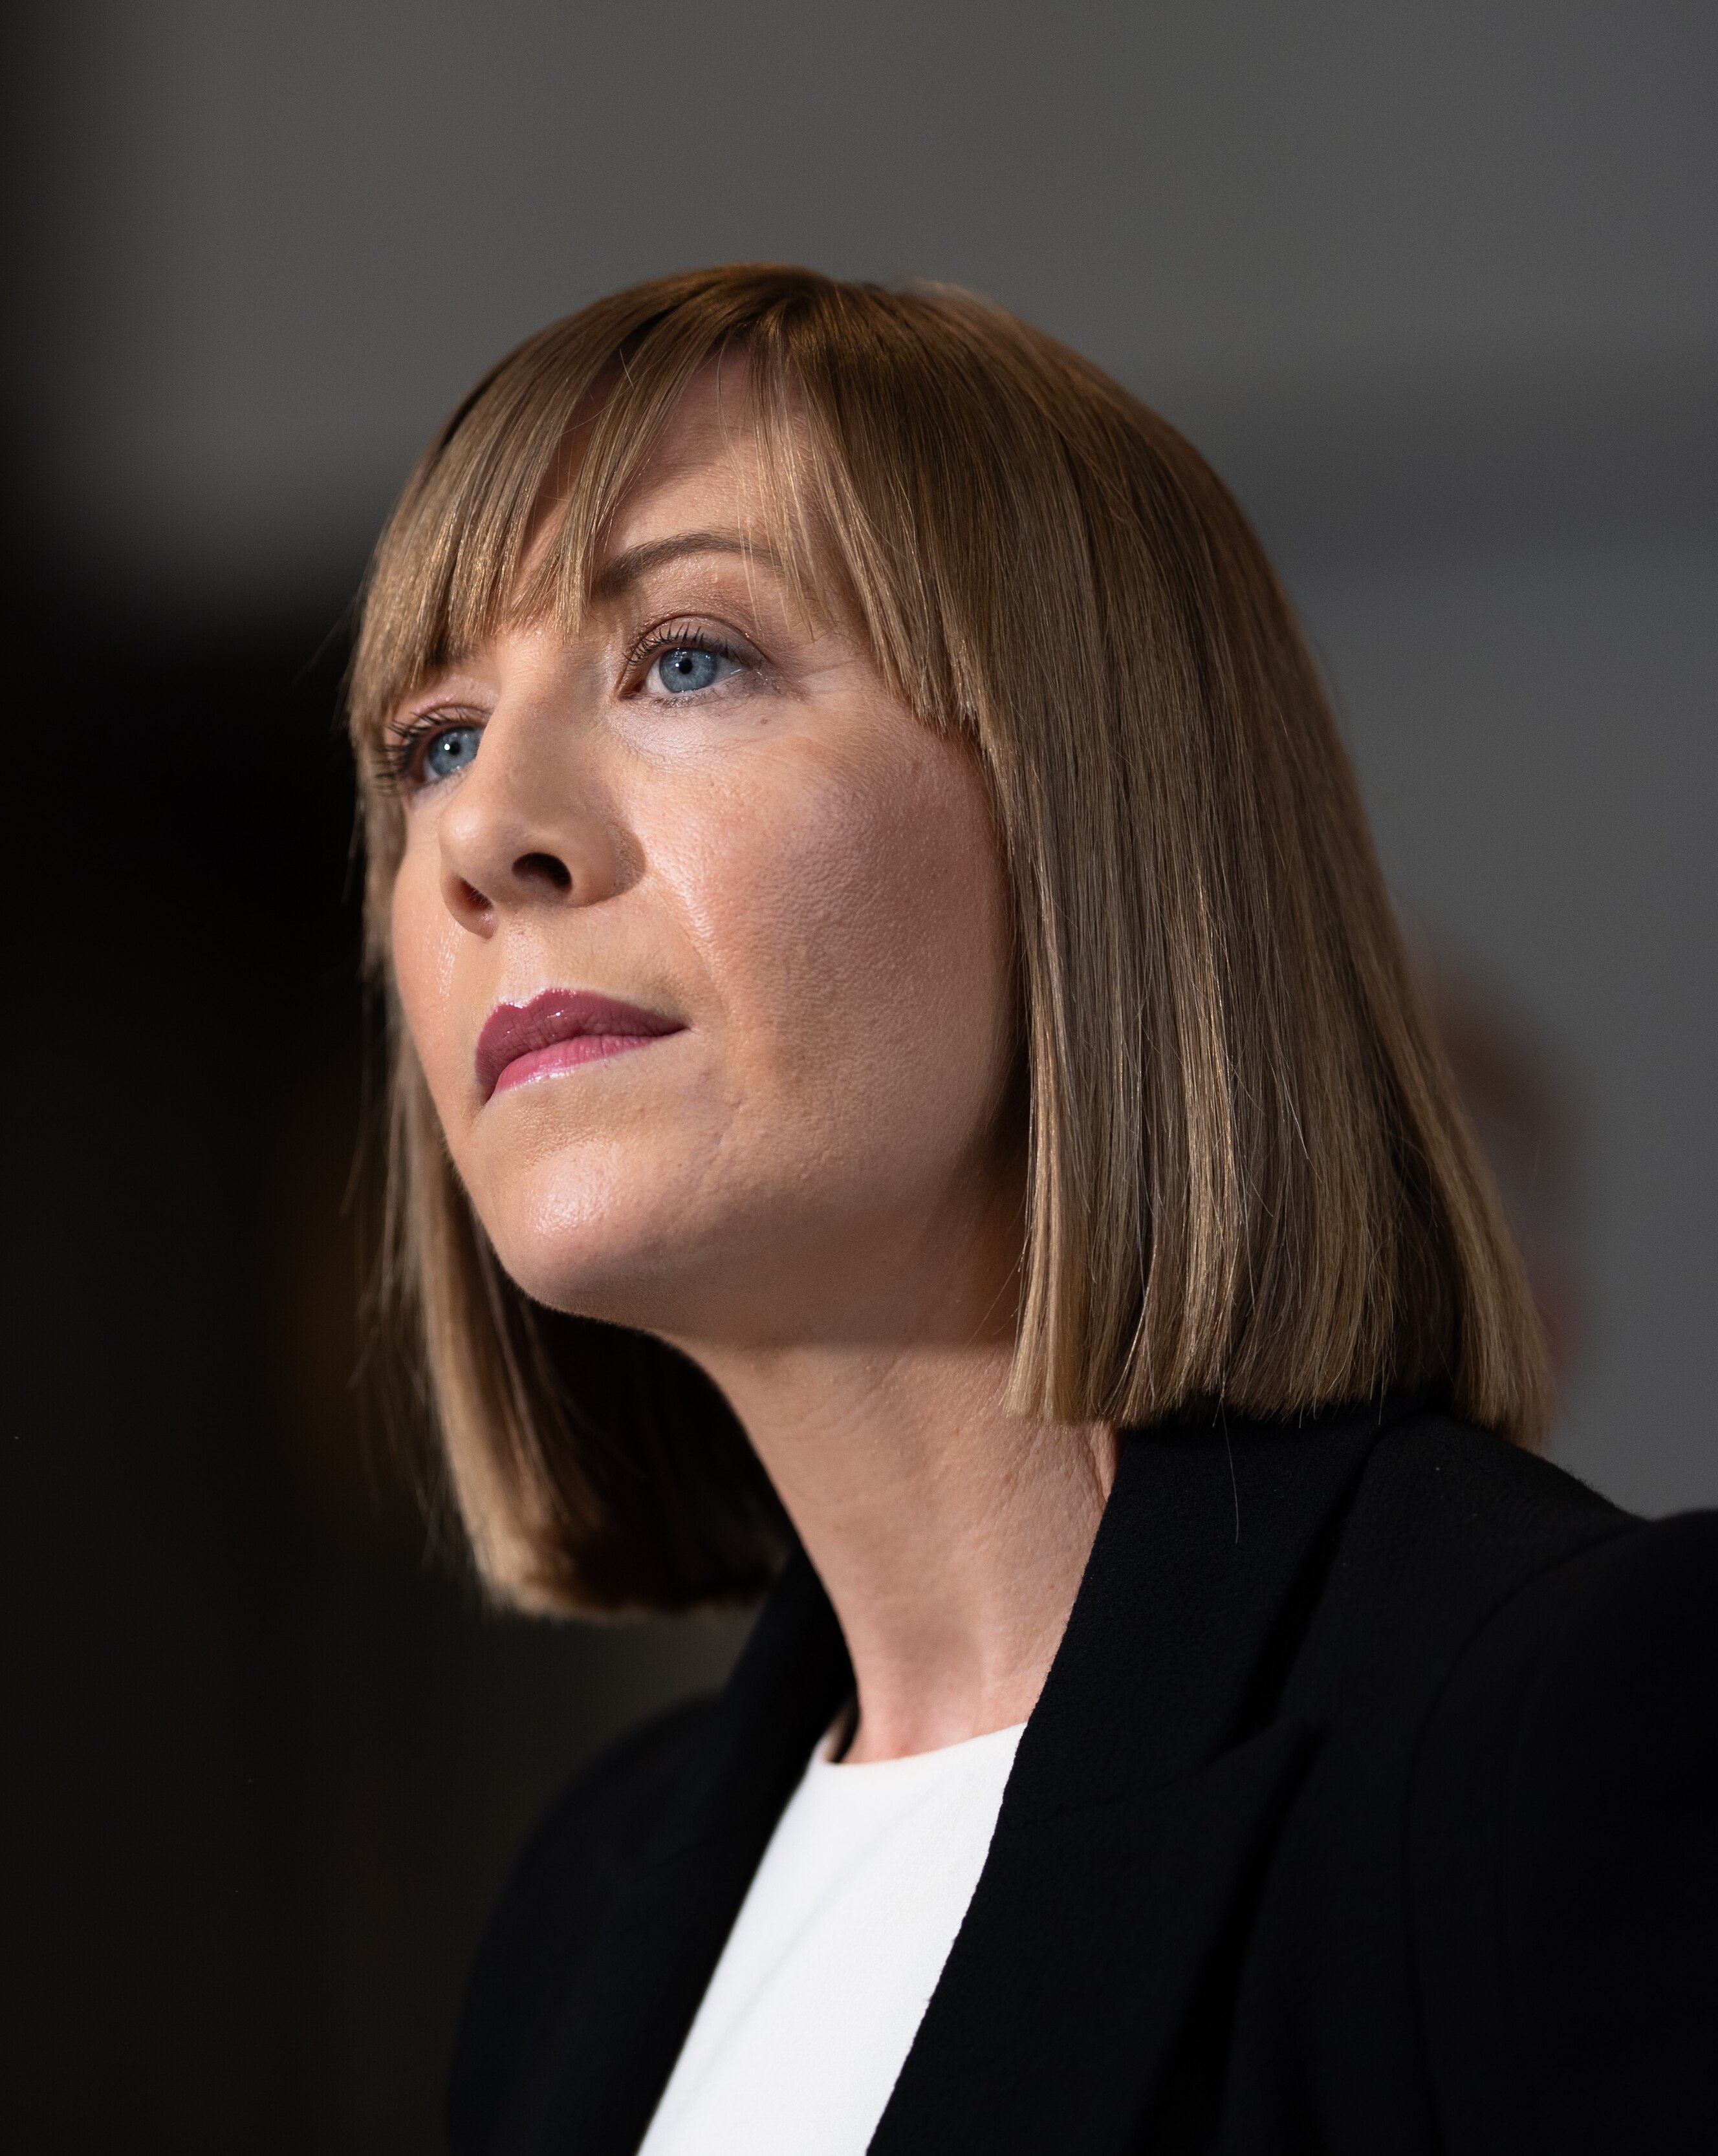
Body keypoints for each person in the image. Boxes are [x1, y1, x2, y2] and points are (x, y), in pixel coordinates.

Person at [348, 264, 1715, 2156]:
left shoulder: (1584, 1738)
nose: (487, 833)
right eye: (432, 742)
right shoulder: (587, 1907)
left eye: (687, 657)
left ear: (1093, 803)